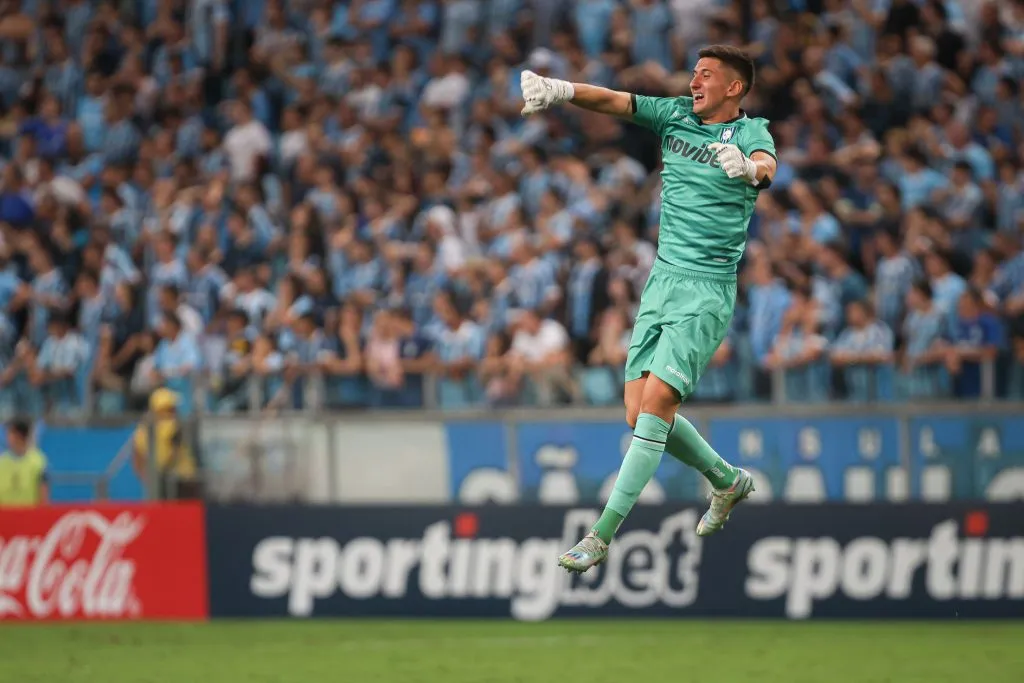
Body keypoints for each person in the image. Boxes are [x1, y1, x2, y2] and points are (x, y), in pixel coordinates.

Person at [521, 45, 777, 573]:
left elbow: (768, 166)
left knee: (659, 401)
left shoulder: (750, 132)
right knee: (640, 413)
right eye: (694, 71)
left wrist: (748, 171)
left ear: (734, 88)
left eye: (707, 74)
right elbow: (615, 101)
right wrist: (561, 90)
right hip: (661, 282)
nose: (695, 80)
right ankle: (728, 481)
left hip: (706, 288)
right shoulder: (675, 115)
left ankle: (600, 534)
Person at [0, 419, 48, 507]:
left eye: (9, 433)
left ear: (19, 436)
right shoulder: (2, 461)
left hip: (28, 516)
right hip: (4, 517)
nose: (6, 437)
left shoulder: (38, 461)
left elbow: (43, 495)